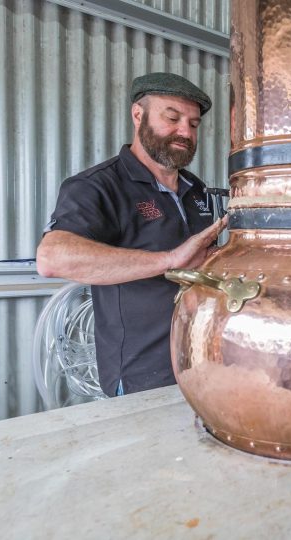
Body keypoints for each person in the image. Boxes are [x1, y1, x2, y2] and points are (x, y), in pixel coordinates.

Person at [36, 73, 227, 397]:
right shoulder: (99, 185)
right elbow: (51, 258)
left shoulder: (197, 189)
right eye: (172, 118)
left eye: (193, 124)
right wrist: (170, 259)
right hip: (143, 378)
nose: (185, 132)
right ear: (138, 115)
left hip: (204, 362)